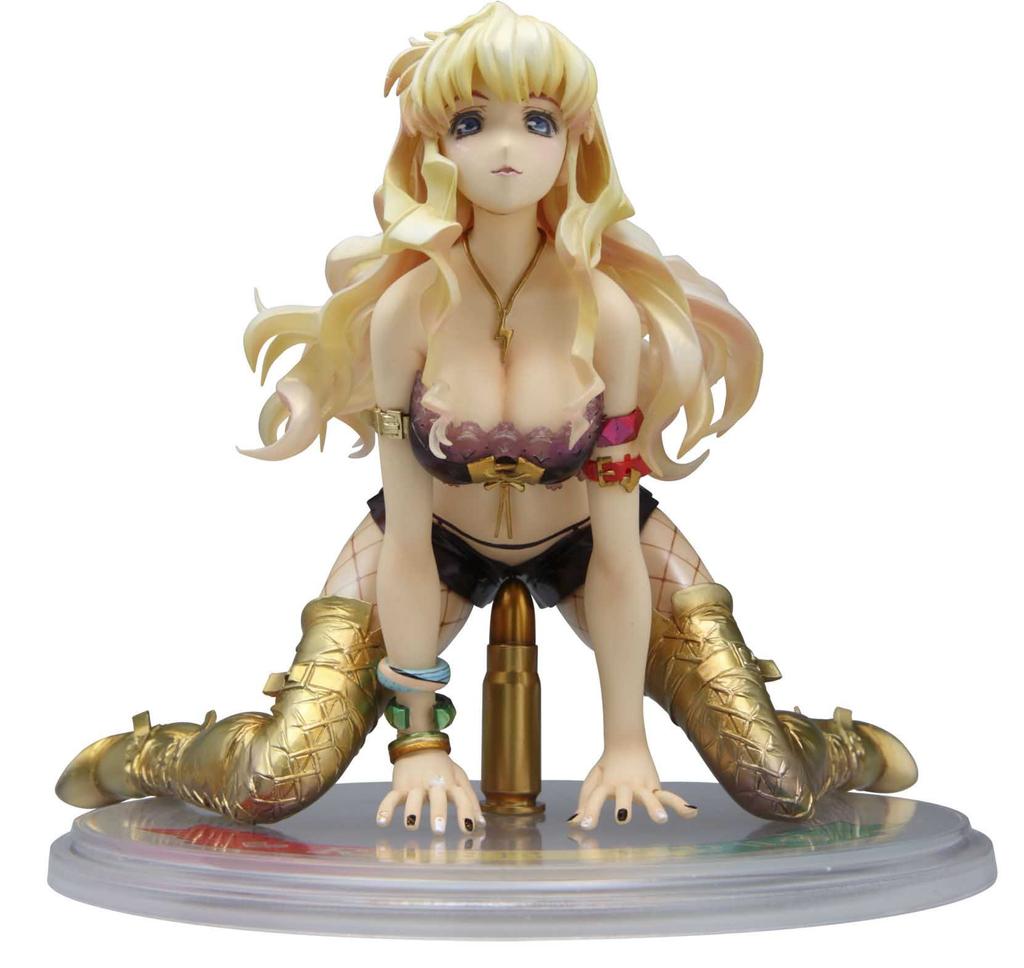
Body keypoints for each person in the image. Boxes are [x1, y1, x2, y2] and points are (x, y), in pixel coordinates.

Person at [55, 2, 916, 834]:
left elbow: (618, 550)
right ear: (435, 145)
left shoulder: (608, 315)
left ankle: (838, 746)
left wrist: (625, 743)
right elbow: (405, 538)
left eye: (537, 121)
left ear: (576, 140)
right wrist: (418, 745)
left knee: (774, 780)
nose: (507, 148)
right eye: (472, 123)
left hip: (590, 540)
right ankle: (156, 755)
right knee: (272, 780)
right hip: (434, 543)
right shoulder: (407, 312)